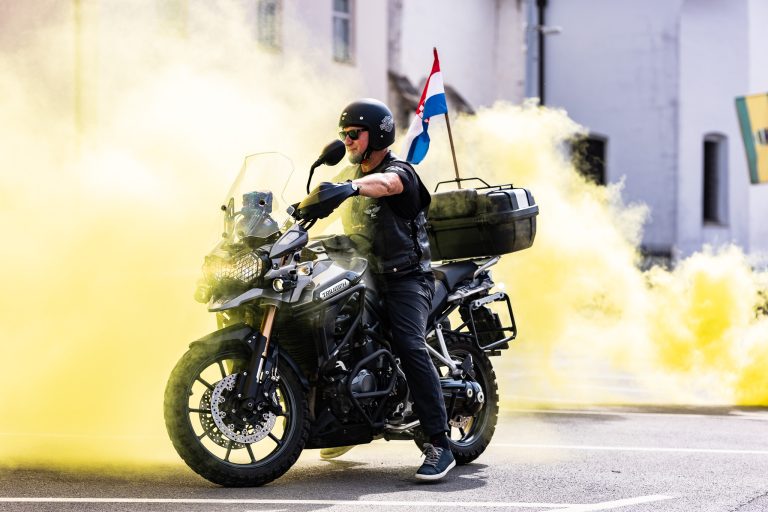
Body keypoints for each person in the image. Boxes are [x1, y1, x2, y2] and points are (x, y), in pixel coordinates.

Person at [318, 98, 455, 481]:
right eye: (343, 133)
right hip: (364, 276)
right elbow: (331, 212)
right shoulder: (350, 175)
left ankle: (439, 443)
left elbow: (386, 185)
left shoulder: (399, 173)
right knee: (329, 334)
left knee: (408, 344)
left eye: (353, 133)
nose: (346, 140)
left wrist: (349, 187)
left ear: (377, 135)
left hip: (406, 278)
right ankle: (344, 423)